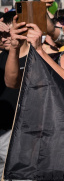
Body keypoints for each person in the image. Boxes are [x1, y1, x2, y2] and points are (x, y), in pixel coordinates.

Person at [0, 12, 29, 174]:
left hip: (17, 134)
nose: (4, 38)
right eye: (1, 34)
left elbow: (12, 83)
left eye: (7, 34)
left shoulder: (37, 55)